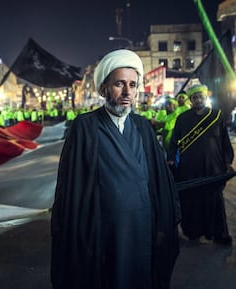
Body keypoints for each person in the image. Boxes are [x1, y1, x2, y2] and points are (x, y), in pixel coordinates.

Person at [51, 49, 180, 289]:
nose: (127, 92)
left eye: (132, 84)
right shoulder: (85, 127)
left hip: (142, 226)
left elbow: (160, 180)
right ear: (103, 89)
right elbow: (73, 187)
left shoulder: (143, 127)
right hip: (102, 230)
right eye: (119, 84)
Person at [167, 84, 234, 245]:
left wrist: (227, 161)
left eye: (201, 97)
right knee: (192, 201)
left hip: (213, 167)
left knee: (215, 200)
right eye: (195, 97)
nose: (198, 100)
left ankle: (219, 234)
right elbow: (174, 142)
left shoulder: (216, 116)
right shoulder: (182, 119)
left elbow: (224, 141)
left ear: (206, 98)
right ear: (191, 100)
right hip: (190, 168)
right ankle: (193, 232)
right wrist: (170, 158)